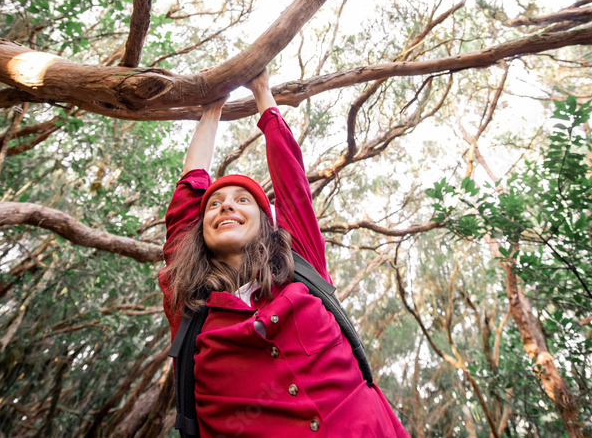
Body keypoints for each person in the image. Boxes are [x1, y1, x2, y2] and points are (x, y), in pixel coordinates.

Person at [158, 68, 411, 437]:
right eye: (214, 204)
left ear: (266, 224)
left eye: (242, 200)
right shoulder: (189, 304)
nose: (226, 207)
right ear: (200, 231)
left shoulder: (300, 266)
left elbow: (291, 180)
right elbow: (188, 192)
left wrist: (261, 89)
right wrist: (212, 108)